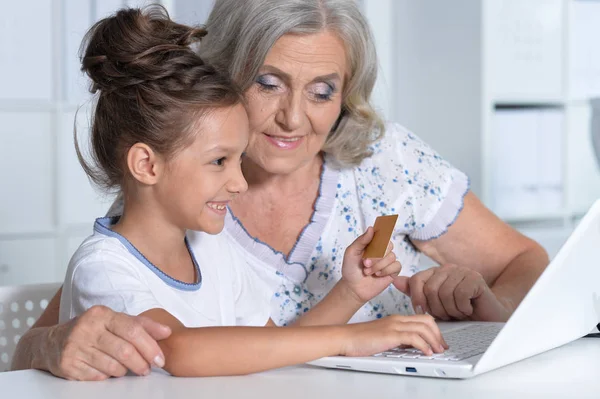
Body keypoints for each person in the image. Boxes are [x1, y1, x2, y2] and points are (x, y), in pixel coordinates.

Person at [12, 0, 549, 379]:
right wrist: (52, 344)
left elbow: (524, 262)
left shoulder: (385, 163)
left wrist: (476, 303)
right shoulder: (182, 209)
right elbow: (45, 344)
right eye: (267, 83)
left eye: (322, 91)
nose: (293, 118)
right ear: (224, 76)